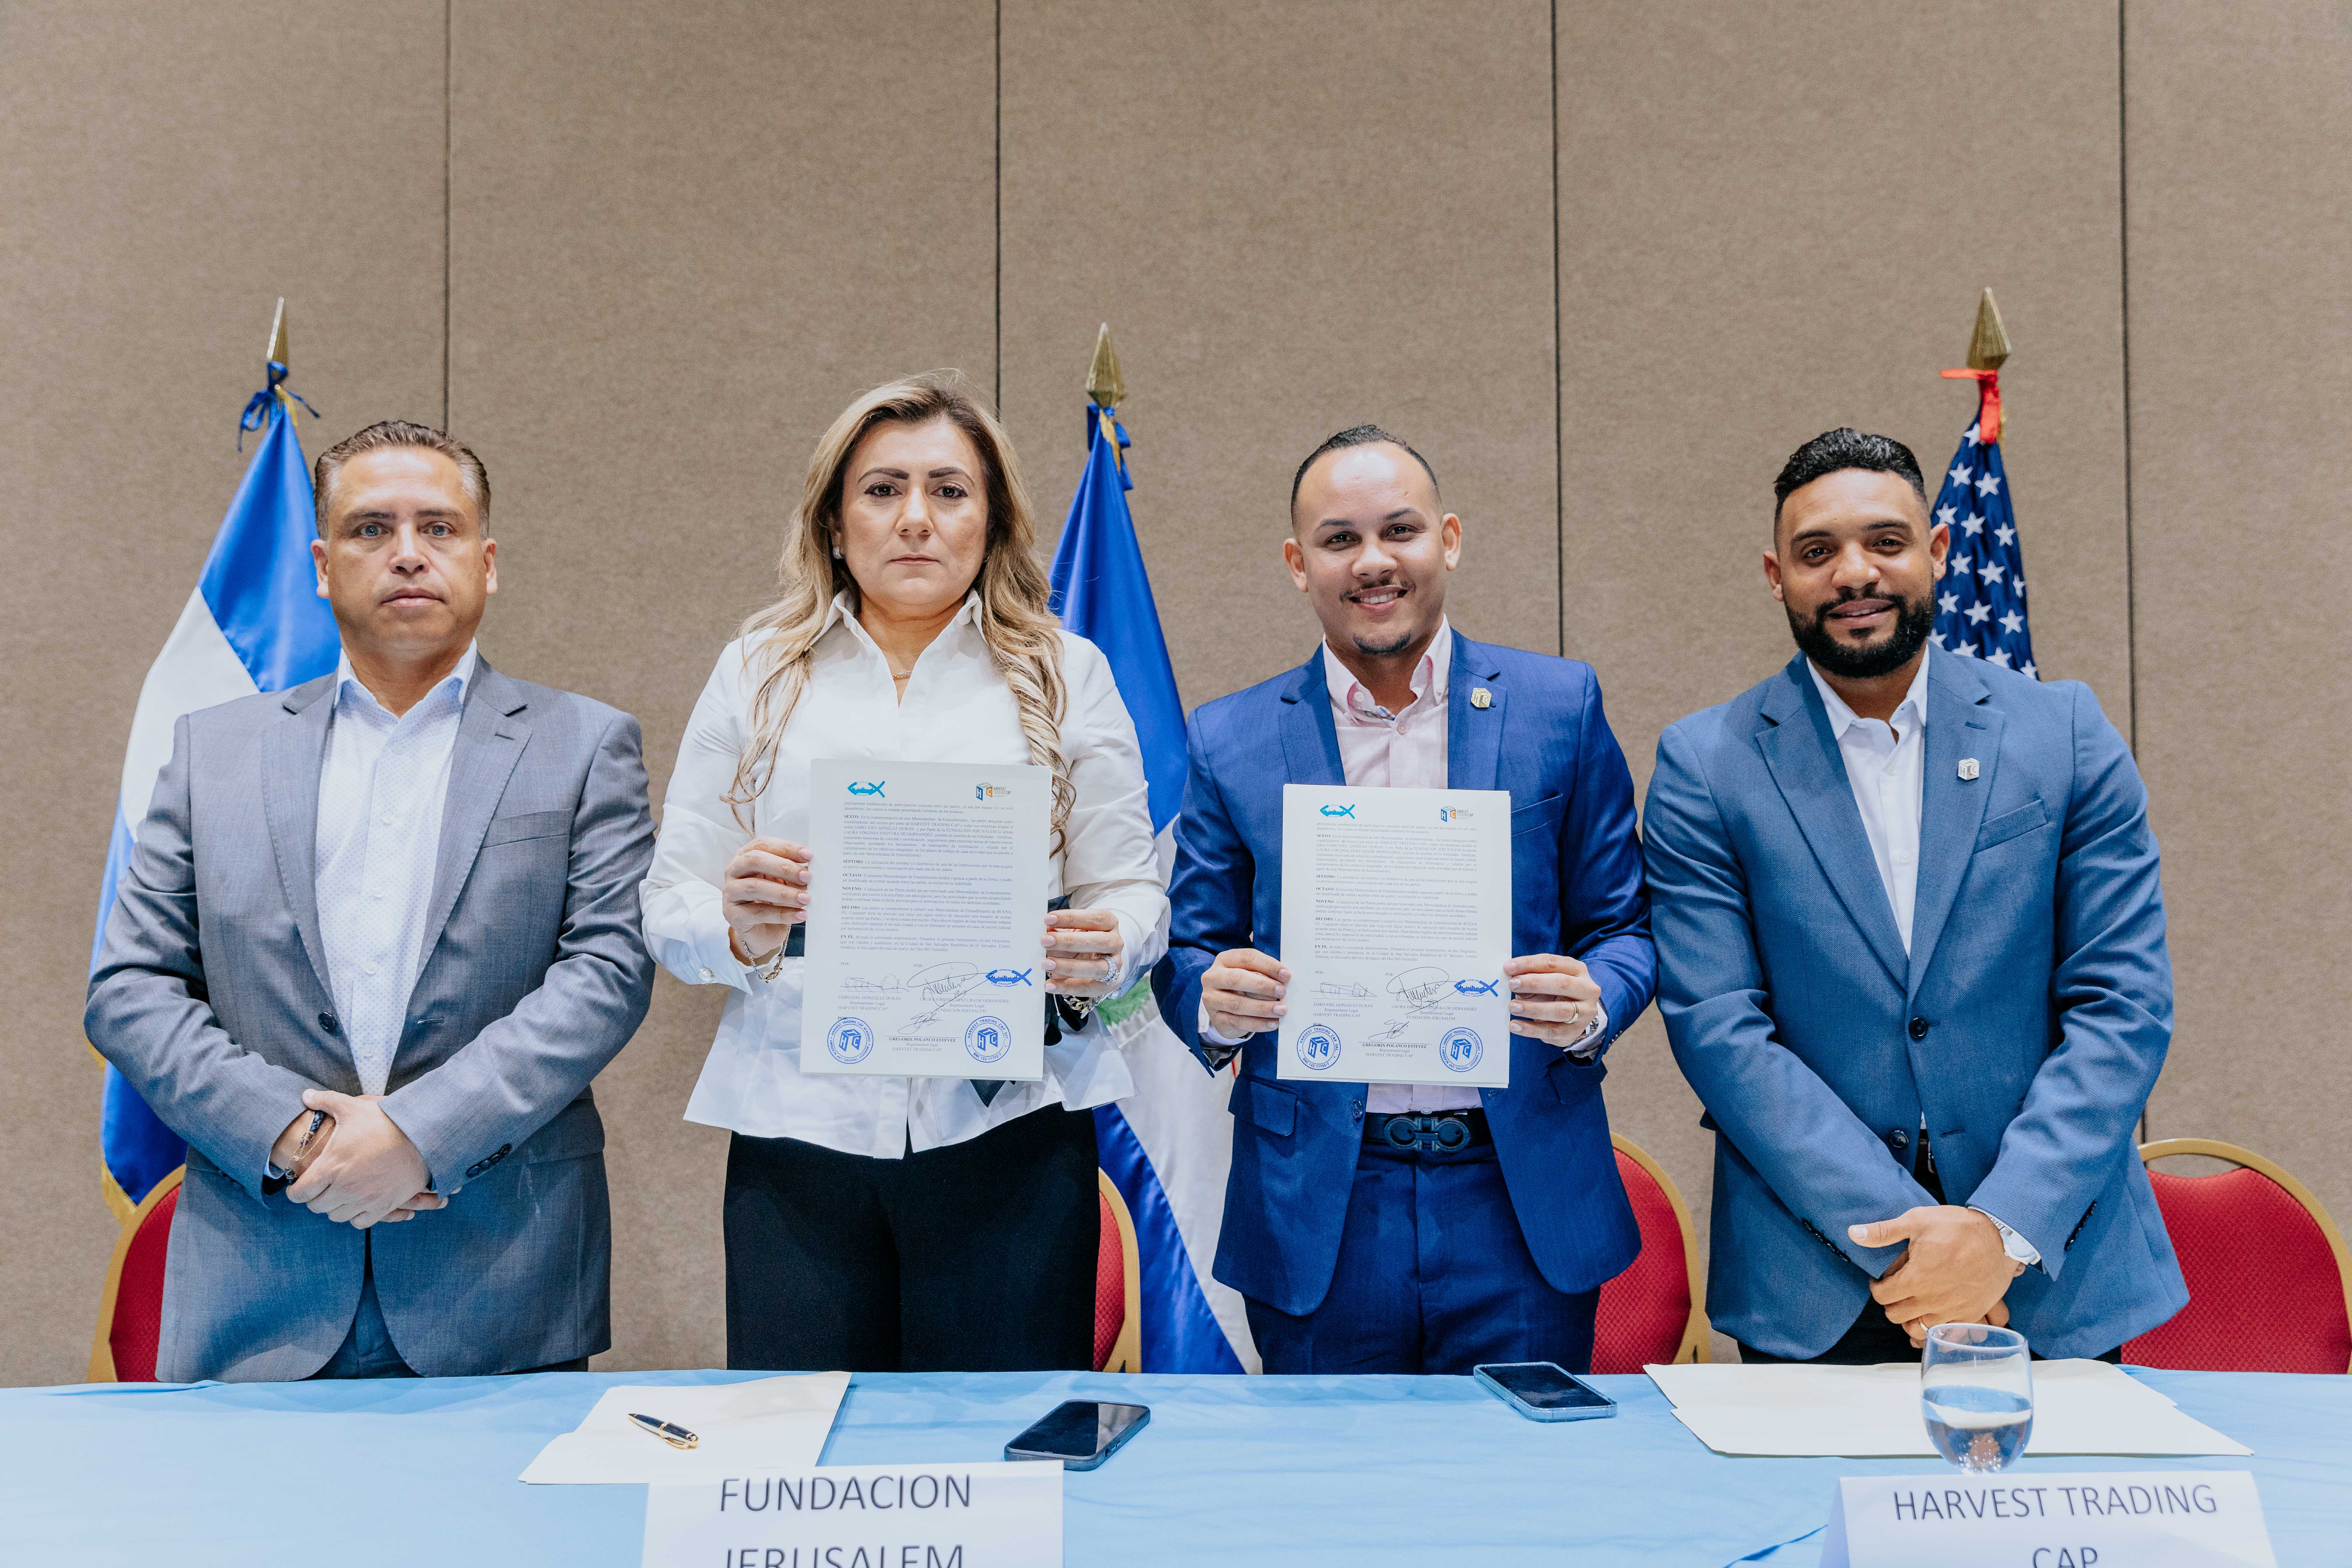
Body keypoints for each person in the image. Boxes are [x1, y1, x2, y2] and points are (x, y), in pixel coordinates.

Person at [87, 420, 657, 1381]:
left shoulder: (585, 746)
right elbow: (130, 988)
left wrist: (420, 1140)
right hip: (257, 1280)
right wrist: (297, 1135)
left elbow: (608, 973)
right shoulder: (212, 752)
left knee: (496, 1537)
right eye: (370, 529)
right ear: (320, 564)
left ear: (487, 561)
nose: (406, 554)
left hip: (499, 1284)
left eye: (438, 528)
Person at [642, 370, 1166, 1373]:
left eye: (949, 491)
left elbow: (1132, 891)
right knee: (802, 1454)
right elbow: (670, 904)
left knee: (1002, 1453)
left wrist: (1110, 944)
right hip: (798, 1128)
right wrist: (737, 929)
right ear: (835, 525)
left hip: (1009, 1128)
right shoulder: (755, 670)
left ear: (993, 521)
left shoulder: (1070, 671)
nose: (915, 519)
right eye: (882, 491)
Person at [1643, 427, 2186, 1364]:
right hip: (1820, 1283)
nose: (1855, 573)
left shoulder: (2063, 735)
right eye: (1818, 553)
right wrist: (1922, 1245)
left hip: (2047, 1275)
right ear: (1777, 575)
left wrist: (1997, 1233)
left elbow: (2123, 1005)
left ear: (1936, 553)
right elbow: (1720, 1029)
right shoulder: (1706, 766)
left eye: (1886, 543)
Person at [1153, 425, 1655, 1375]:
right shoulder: (1231, 739)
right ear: (1300, 566)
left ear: (1450, 539)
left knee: (1521, 1499)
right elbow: (1187, 953)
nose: (1374, 561)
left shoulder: (1559, 706)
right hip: (1323, 1207)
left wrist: (1597, 1000)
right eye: (1339, 540)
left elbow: (1623, 926)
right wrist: (1212, 1002)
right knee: (1338, 1507)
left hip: (1518, 1198)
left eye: (1401, 531)